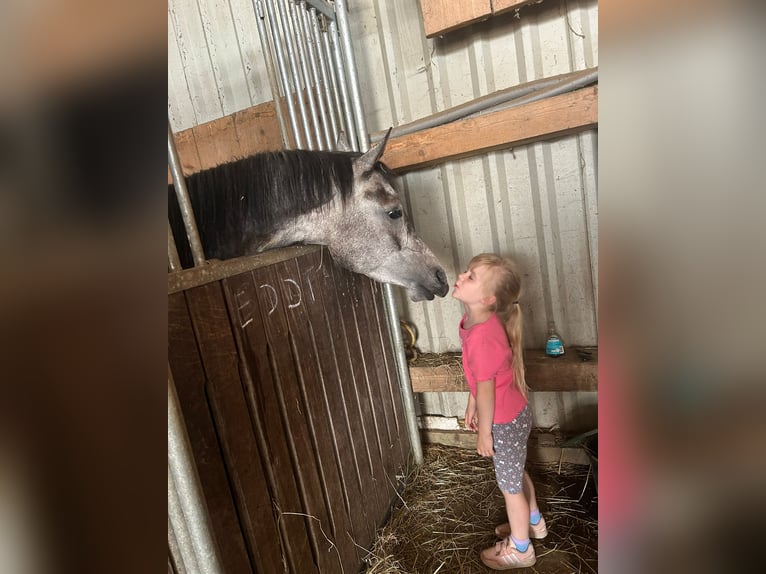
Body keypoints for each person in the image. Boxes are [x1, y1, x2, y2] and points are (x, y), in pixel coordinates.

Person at [452, 253, 548, 570]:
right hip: (511, 413)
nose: (461, 276)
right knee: (516, 473)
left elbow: (487, 389)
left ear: (487, 298)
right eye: (466, 272)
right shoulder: (475, 322)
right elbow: (480, 378)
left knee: (509, 488)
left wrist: (484, 434)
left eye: (471, 277)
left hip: (504, 421)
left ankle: (521, 549)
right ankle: (532, 522)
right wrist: (471, 404)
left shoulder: (482, 336)